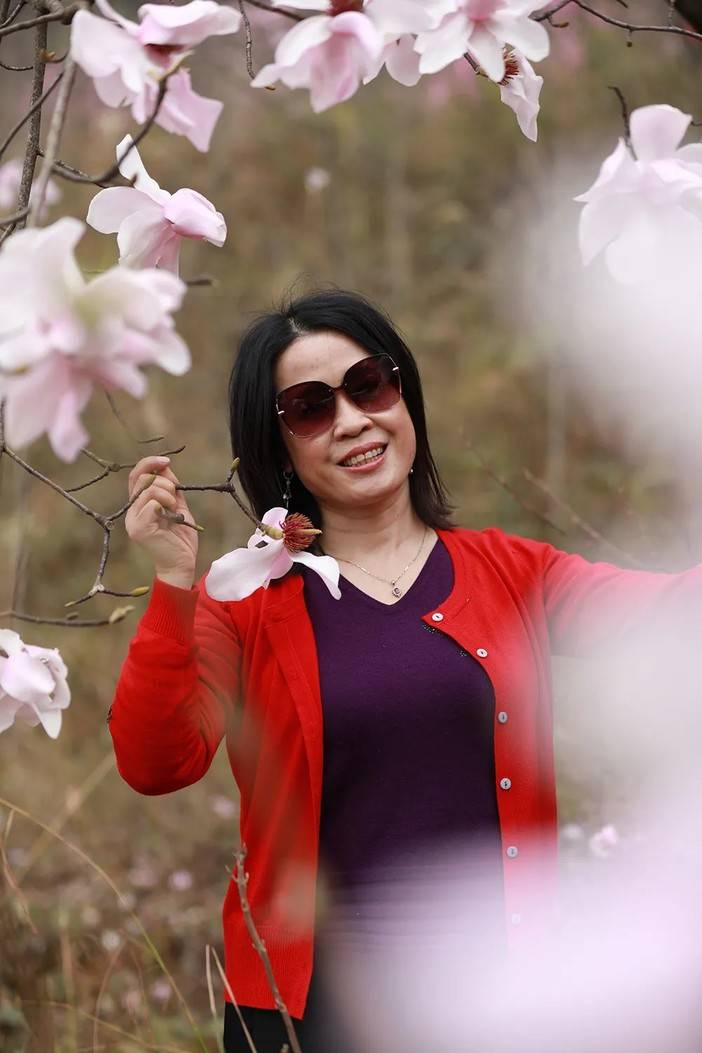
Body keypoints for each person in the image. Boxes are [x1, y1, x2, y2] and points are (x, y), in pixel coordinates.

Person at [109, 288, 702, 1052]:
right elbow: (158, 761)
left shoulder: (510, 571)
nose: (352, 419)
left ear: (404, 397)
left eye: (369, 384)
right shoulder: (247, 604)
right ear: (278, 446)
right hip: (316, 1010)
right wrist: (172, 579)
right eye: (310, 407)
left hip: (502, 997)